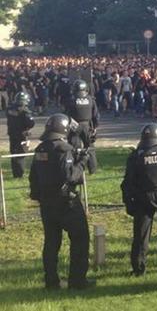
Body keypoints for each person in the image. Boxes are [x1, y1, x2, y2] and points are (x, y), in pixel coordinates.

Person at [29, 114, 93, 289]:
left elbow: (33, 177)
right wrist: (82, 162)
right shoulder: (64, 149)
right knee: (80, 240)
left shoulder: (40, 149)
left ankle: (51, 281)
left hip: (47, 204)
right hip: (67, 203)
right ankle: (77, 281)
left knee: (51, 243)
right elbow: (71, 176)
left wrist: (38, 196)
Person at [121, 124, 157, 276]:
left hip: (143, 197)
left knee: (141, 235)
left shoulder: (136, 156)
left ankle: (139, 269)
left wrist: (129, 203)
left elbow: (128, 182)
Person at [65, 79, 99, 173]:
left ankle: (76, 167)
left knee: (75, 147)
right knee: (90, 147)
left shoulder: (71, 100)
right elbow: (95, 115)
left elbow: (66, 114)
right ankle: (92, 169)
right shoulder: (90, 100)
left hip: (74, 125)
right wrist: (95, 127)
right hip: (87, 125)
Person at [7, 91, 35, 178]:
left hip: (12, 134)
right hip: (22, 135)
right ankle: (19, 174)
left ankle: (15, 173)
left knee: (13, 153)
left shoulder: (9, 109)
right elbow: (31, 123)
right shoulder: (25, 112)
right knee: (21, 154)